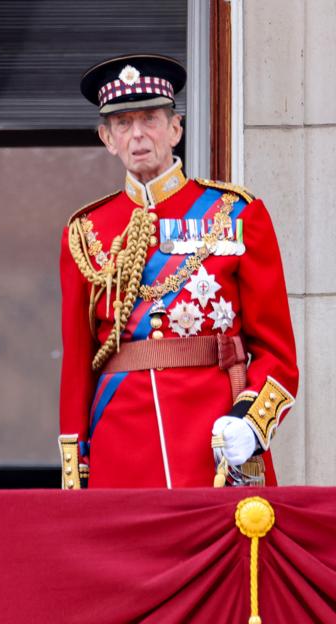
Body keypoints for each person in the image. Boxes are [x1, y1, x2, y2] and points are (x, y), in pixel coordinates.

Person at [58, 54, 298, 489]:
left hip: (215, 439)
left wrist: (251, 422)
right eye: (123, 124)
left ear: (175, 128)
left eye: (149, 119)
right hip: (121, 448)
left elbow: (278, 353)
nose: (138, 135)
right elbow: (77, 367)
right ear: (106, 138)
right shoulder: (86, 231)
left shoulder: (236, 214)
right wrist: (78, 473)